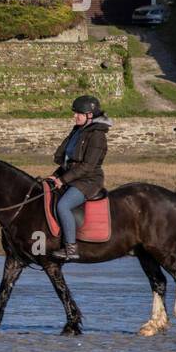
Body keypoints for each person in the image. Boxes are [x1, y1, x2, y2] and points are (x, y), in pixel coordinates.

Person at [48, 94, 112, 262]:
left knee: (63, 205)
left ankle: (70, 248)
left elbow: (87, 166)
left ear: (89, 115)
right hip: (73, 177)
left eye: (78, 113)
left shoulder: (97, 136)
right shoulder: (78, 130)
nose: (74, 116)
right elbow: (69, 161)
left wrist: (63, 180)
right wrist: (55, 175)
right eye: (74, 112)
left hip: (88, 181)